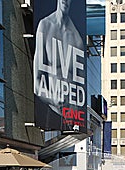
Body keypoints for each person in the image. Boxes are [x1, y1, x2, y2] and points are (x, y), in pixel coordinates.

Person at [33, 0, 85, 130]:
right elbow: (36, 83)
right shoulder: (45, 26)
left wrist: (74, 114)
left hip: (71, 116)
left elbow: (81, 89)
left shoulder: (77, 39)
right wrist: (52, 99)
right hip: (49, 111)